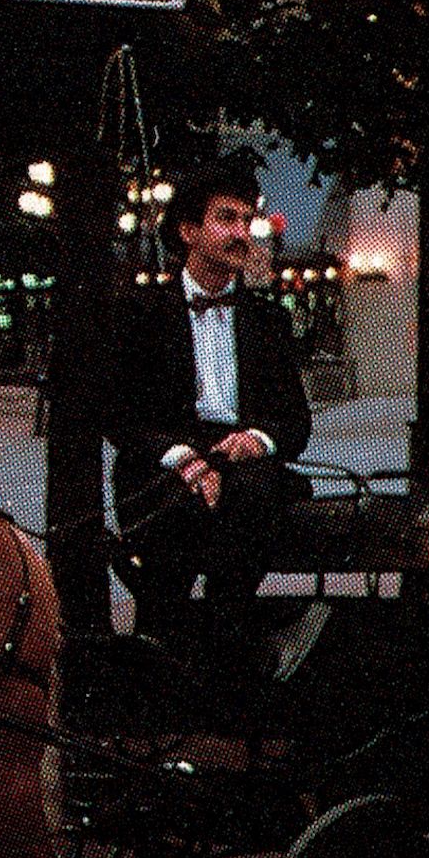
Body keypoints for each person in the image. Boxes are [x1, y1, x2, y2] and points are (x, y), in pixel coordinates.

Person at [107, 158, 312, 649]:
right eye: (227, 218)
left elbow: (296, 423)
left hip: (244, 465)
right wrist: (187, 460)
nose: (242, 232)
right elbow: (120, 416)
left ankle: (227, 646)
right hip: (166, 460)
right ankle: (163, 655)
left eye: (247, 220)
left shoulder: (268, 321)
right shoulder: (142, 314)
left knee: (256, 500)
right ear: (188, 231)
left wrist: (255, 442)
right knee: (171, 517)